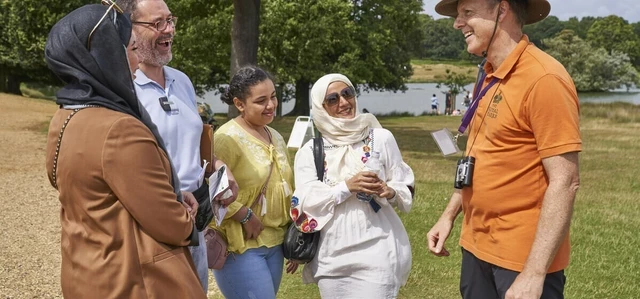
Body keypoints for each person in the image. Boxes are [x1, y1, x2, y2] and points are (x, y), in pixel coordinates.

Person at [44, 3, 205, 298]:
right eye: (130, 50)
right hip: (131, 281)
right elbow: (170, 224)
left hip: (85, 270)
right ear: (107, 57)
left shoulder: (65, 117)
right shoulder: (119, 128)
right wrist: (187, 217)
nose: (134, 62)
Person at [426, 1, 581, 299]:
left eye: (467, 13)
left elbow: (566, 181)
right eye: (458, 15)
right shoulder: (487, 74)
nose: (457, 24)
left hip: (521, 259)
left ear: (501, 10)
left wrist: (534, 274)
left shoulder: (544, 78)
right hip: (475, 247)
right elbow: (476, 155)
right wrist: (448, 215)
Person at [118, 0, 239, 291]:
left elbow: (193, 143)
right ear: (128, 30)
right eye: (157, 23)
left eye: (170, 21)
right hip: (155, 224)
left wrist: (220, 170)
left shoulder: (181, 80)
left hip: (196, 218)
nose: (168, 30)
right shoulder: (123, 87)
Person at [291, 73, 415, 298]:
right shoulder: (310, 151)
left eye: (348, 93)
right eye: (333, 98)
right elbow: (304, 204)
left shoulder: (381, 138)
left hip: (378, 251)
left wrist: (390, 191)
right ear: (321, 106)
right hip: (332, 257)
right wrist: (346, 187)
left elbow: (404, 184)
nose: (344, 102)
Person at [211, 66, 297, 299]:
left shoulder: (275, 135)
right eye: (261, 101)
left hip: (275, 244)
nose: (270, 105)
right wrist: (245, 216)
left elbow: (286, 187)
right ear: (240, 104)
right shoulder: (225, 138)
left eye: (273, 97)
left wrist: (295, 235)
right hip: (241, 246)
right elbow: (210, 193)